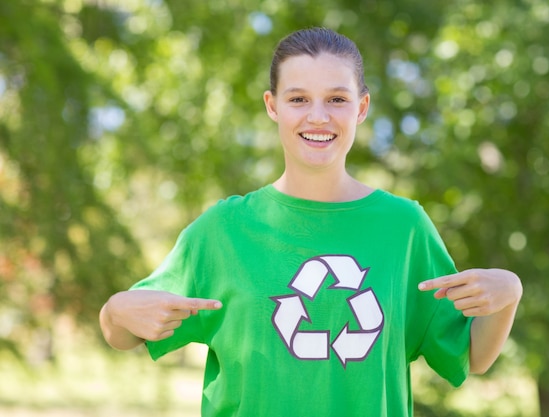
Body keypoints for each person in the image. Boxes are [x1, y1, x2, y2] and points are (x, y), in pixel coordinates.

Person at [99, 27, 523, 416]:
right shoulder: (223, 231)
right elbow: (127, 334)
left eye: (337, 99)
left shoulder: (404, 227)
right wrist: (115, 311)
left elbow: (471, 354)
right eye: (298, 99)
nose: (318, 117)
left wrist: (510, 292)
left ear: (361, 108)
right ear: (273, 106)